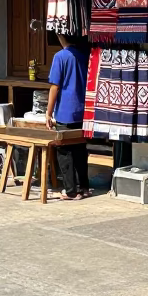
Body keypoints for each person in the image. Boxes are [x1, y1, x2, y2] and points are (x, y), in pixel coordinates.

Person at [44, 34, 90, 199]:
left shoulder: (60, 57)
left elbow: (55, 87)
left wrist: (48, 113)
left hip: (65, 111)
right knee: (80, 149)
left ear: (60, 36)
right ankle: (84, 186)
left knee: (64, 151)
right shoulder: (83, 55)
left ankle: (70, 191)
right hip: (82, 110)